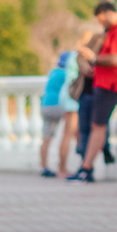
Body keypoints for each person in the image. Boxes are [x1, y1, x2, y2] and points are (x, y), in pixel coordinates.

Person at [72, 1, 117, 182]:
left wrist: (93, 58)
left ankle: (86, 168)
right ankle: (87, 166)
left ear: (108, 13)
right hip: (103, 83)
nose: (100, 24)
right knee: (96, 126)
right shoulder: (113, 30)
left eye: (101, 19)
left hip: (111, 84)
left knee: (97, 126)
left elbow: (116, 59)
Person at [39, 47, 79, 178]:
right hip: (58, 106)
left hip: (45, 105)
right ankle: (63, 167)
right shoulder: (66, 74)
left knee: (47, 137)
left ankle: (44, 166)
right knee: (68, 133)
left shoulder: (53, 72)